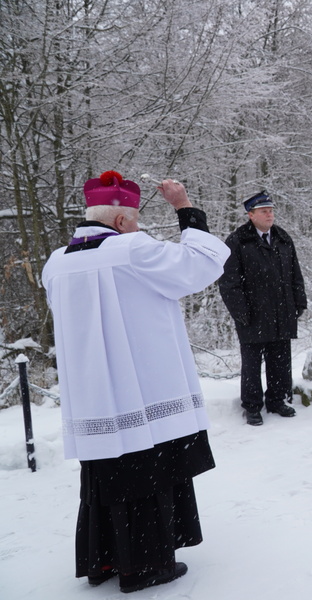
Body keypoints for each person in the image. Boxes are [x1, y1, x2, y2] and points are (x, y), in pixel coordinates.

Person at [41, 171, 230, 592]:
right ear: (123, 221)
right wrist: (184, 207)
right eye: (136, 221)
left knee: (105, 471)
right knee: (145, 469)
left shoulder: (56, 262)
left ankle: (104, 559)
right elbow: (201, 266)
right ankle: (145, 566)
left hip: (91, 391)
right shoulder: (131, 249)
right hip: (140, 385)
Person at [218, 191, 307, 426]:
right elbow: (229, 283)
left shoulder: (283, 238)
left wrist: (299, 301)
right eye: (264, 211)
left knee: (280, 360)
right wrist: (241, 313)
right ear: (251, 215)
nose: (270, 215)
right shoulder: (238, 241)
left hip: (281, 311)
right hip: (252, 315)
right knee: (252, 364)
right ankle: (252, 406)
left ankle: (277, 400)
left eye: (271, 211)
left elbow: (294, 274)